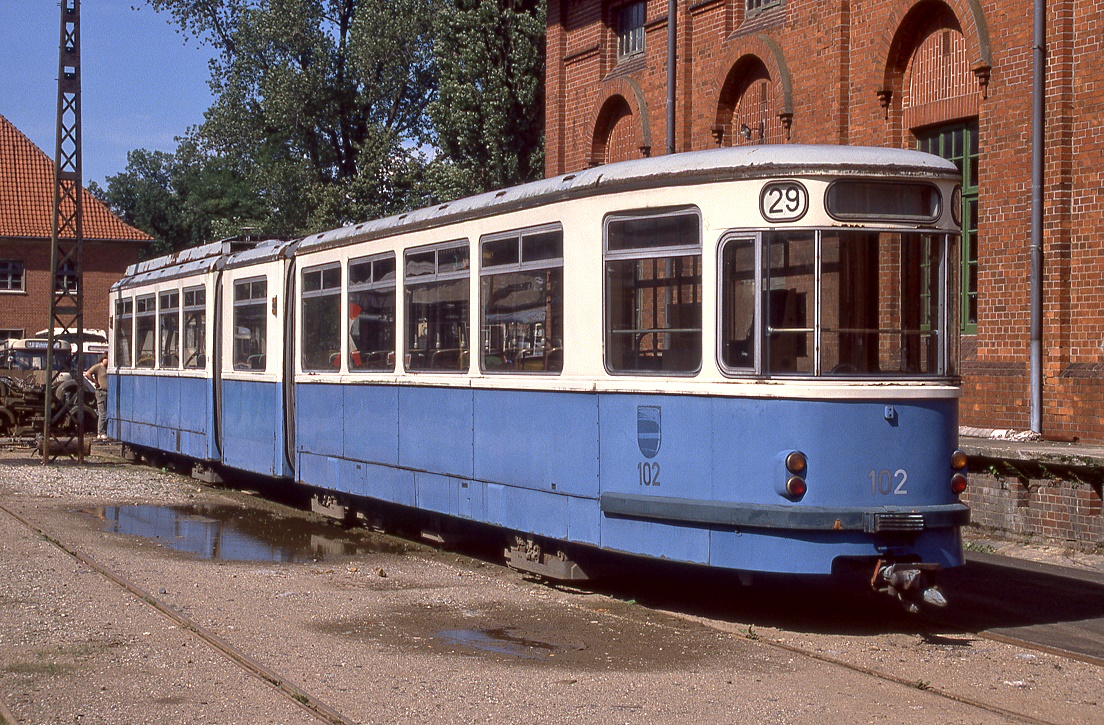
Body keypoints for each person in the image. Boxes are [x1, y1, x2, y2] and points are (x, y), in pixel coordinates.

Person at [84, 354, 109, 441]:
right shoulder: (98, 367)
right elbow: (87, 373)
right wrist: (95, 381)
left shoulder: (108, 368)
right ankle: (100, 432)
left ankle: (104, 431)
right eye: (107, 358)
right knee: (102, 413)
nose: (108, 360)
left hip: (107, 392)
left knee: (106, 412)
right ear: (103, 359)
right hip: (101, 392)